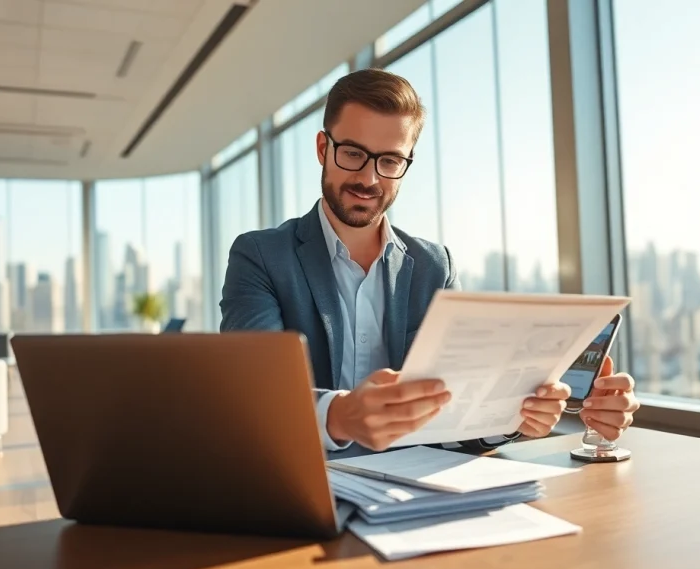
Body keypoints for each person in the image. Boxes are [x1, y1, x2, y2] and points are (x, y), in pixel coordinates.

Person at [220, 68, 639, 453]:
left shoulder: (434, 265)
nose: (369, 179)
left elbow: (455, 411)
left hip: (411, 492)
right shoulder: (260, 255)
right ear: (322, 148)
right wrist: (339, 416)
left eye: (389, 161)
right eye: (352, 153)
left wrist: (515, 418)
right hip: (302, 480)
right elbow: (250, 394)